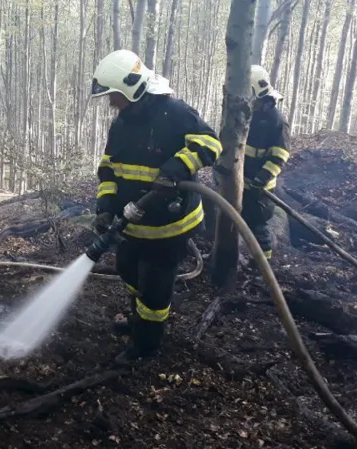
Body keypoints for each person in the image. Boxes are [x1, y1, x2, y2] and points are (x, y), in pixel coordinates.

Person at [90, 49, 222, 362]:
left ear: (134, 88)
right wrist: (106, 205)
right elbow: (109, 167)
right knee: (128, 271)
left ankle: (146, 346)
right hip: (132, 222)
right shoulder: (121, 124)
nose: (111, 103)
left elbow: (211, 143)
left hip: (169, 226)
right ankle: (138, 323)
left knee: (154, 288)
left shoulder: (174, 112)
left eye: (115, 96)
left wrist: (177, 167)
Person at [243, 65, 292, 261]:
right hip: (241, 182)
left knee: (258, 227)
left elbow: (280, 155)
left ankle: (262, 266)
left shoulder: (276, 120)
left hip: (259, 188)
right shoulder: (249, 115)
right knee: (236, 221)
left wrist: (261, 179)